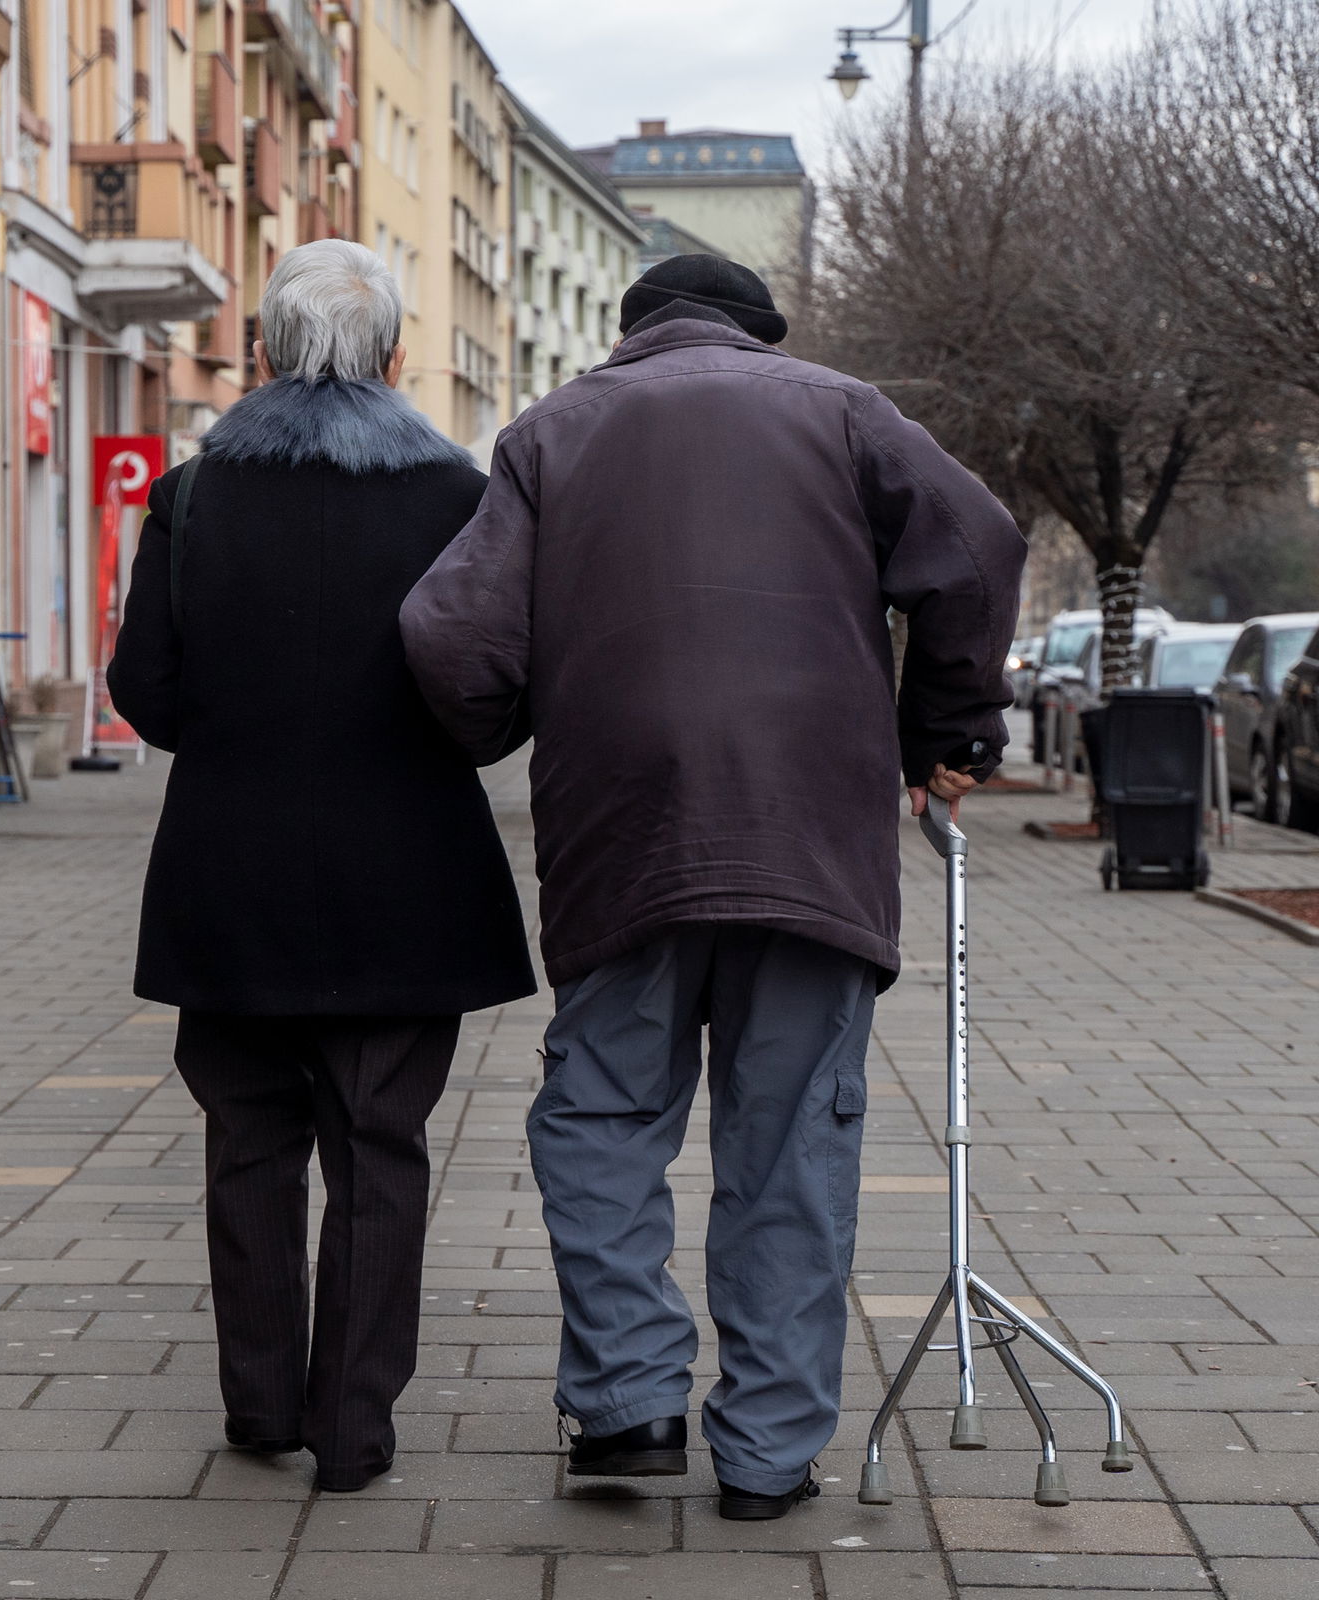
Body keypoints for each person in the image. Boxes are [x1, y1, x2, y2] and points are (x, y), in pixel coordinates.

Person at [399, 255, 1025, 1521]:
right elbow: (976, 541)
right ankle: (766, 1453)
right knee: (790, 1137)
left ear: (633, 334)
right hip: (810, 830)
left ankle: (627, 1405)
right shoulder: (843, 411)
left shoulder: (550, 431)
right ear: (759, 334)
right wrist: (944, 734)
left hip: (623, 828)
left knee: (602, 1115)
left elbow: (449, 633)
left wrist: (512, 722)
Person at [107, 240, 536, 1495]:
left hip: (226, 874)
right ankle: (354, 1432)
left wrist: (242, 737)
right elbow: (496, 692)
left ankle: (258, 1405)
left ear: (262, 356)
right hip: (410, 882)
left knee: (246, 1139)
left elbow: (147, 689)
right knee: (381, 1148)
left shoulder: (192, 498)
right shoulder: (459, 499)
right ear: (398, 360)